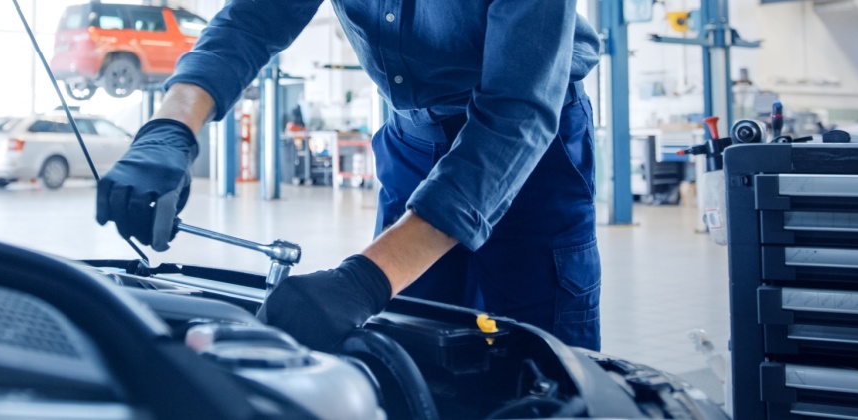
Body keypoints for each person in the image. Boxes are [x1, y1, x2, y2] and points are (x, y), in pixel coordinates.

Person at [96, 0, 602, 353]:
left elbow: (517, 112)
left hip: (534, 148)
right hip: (414, 138)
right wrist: (170, 128)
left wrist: (367, 277)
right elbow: (251, 20)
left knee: (542, 352)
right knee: (417, 340)